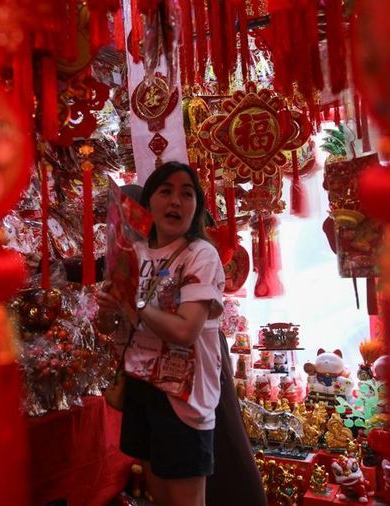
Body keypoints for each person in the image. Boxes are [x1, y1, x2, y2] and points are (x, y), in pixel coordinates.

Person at [97, 161, 225, 506]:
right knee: (157, 496)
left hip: (183, 397)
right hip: (141, 385)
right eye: (165, 191)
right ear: (149, 201)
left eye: (187, 193)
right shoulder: (134, 253)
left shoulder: (201, 255)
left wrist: (133, 305)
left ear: (197, 205)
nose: (176, 202)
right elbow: (117, 328)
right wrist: (111, 305)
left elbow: (185, 330)